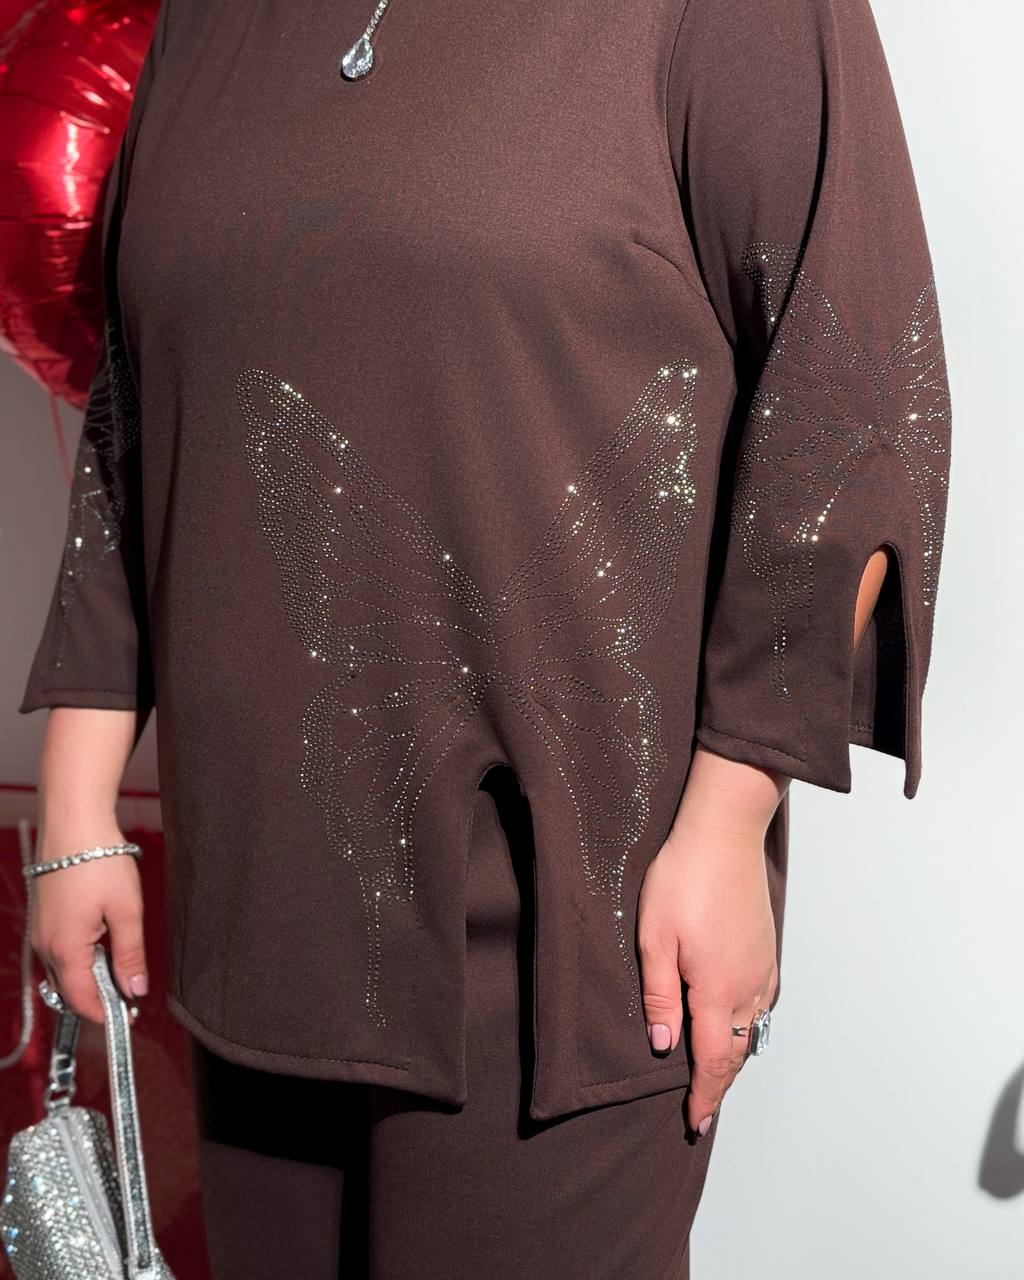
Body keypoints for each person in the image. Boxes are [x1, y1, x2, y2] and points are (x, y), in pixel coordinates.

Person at [17, 0, 952, 1275]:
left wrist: (731, 815)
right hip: (255, 904)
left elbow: (847, 399)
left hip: (570, 921)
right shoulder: (211, 19)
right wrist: (76, 805)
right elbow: (145, 392)